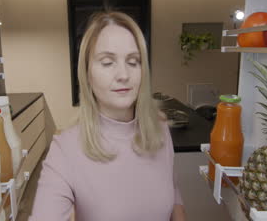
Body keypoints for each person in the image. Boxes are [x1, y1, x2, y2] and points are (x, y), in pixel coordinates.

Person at [29, 11, 186, 221]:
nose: (123, 75)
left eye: (133, 61)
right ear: (87, 74)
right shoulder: (65, 149)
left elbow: (174, 198)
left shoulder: (159, 129)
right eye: (107, 62)